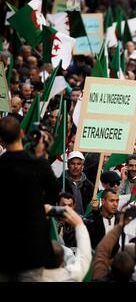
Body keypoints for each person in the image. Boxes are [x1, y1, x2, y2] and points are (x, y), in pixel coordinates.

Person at [0, 116, 58, 281]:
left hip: (5, 250)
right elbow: (53, 193)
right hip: (33, 249)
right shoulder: (38, 164)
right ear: (22, 133)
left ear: (1, 140)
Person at [92, 206, 136, 282]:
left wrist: (120, 225)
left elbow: (101, 252)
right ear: (133, 271)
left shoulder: (99, 277)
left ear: (111, 266)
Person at [41, 206, 92, 282]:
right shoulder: (71, 277)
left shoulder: (26, 276)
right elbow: (84, 258)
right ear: (62, 263)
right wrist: (79, 224)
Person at [57, 151, 94, 215]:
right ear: (68, 165)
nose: (75, 166)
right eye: (73, 163)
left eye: (78, 164)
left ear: (82, 166)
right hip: (64, 221)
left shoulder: (90, 186)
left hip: (84, 222)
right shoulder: (58, 183)